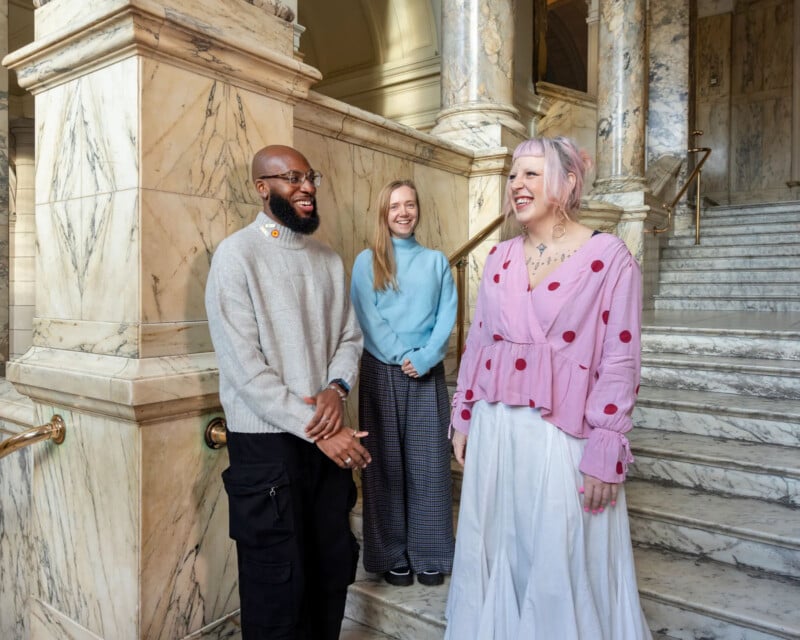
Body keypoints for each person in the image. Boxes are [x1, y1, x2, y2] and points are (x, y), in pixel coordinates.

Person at [444, 136, 652, 639]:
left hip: (563, 434)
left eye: (531, 174)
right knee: (503, 551)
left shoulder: (610, 257)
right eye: (513, 175)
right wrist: (463, 413)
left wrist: (607, 445)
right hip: (497, 433)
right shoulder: (498, 257)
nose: (516, 184)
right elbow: (478, 343)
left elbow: (620, 358)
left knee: (561, 558)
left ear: (568, 181)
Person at [205, 144, 372, 640]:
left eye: (310, 177)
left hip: (325, 433)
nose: (306, 187)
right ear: (262, 187)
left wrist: (337, 388)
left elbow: (350, 336)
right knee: (276, 585)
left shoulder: (327, 258)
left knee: (330, 571)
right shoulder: (235, 256)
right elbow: (243, 367)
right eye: (291, 178)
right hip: (267, 446)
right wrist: (318, 430)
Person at [350, 179, 457, 587]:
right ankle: (391, 553)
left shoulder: (437, 262)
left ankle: (429, 553)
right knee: (384, 467)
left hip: (426, 374)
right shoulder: (367, 261)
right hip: (381, 371)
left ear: (418, 210)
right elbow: (367, 317)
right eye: (395, 205)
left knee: (430, 467)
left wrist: (425, 357)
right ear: (384, 212)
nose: (403, 212)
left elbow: (447, 317)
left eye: (410, 204)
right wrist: (400, 356)